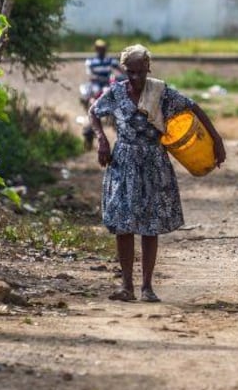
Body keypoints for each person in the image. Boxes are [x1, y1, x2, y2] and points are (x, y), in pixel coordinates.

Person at [87, 44, 226, 302]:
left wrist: (216, 140)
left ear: (148, 68)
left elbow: (193, 108)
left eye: (141, 72)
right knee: (123, 225)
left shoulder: (160, 92)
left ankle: (147, 287)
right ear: (125, 70)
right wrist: (102, 139)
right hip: (124, 162)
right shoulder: (116, 92)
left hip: (153, 161)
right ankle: (126, 286)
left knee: (150, 226)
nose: (136, 78)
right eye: (131, 72)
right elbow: (93, 112)